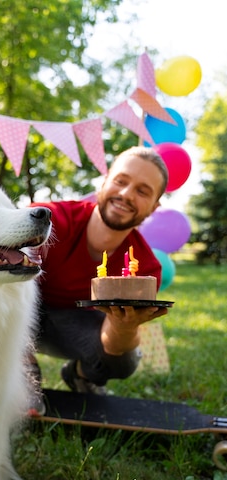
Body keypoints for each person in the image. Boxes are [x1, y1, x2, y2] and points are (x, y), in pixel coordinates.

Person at [28, 145, 170, 414]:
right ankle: (21, 370)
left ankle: (79, 374)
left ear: (154, 207)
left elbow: (113, 342)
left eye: (142, 191)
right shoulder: (50, 220)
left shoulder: (145, 268)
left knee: (126, 359)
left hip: (70, 326)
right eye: (121, 181)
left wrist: (124, 326)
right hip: (16, 315)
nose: (126, 194)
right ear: (104, 182)